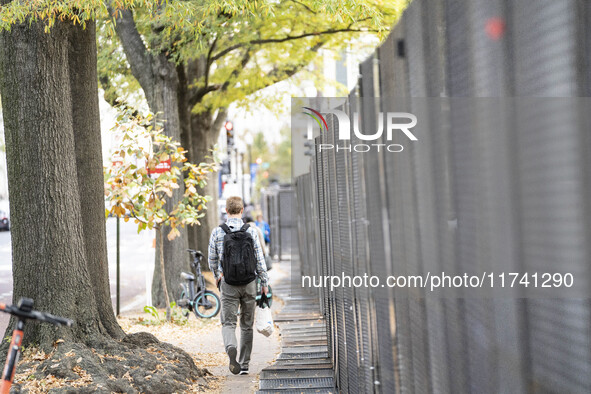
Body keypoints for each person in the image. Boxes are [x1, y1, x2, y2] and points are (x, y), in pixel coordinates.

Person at [208, 196, 269, 375]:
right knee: (246, 325)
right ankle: (244, 364)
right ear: (242, 211)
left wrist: (218, 276)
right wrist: (264, 282)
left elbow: (212, 259)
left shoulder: (218, 232)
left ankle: (231, 347)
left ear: (226, 211)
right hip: (249, 283)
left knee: (228, 322)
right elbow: (259, 259)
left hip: (228, 283)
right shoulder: (251, 231)